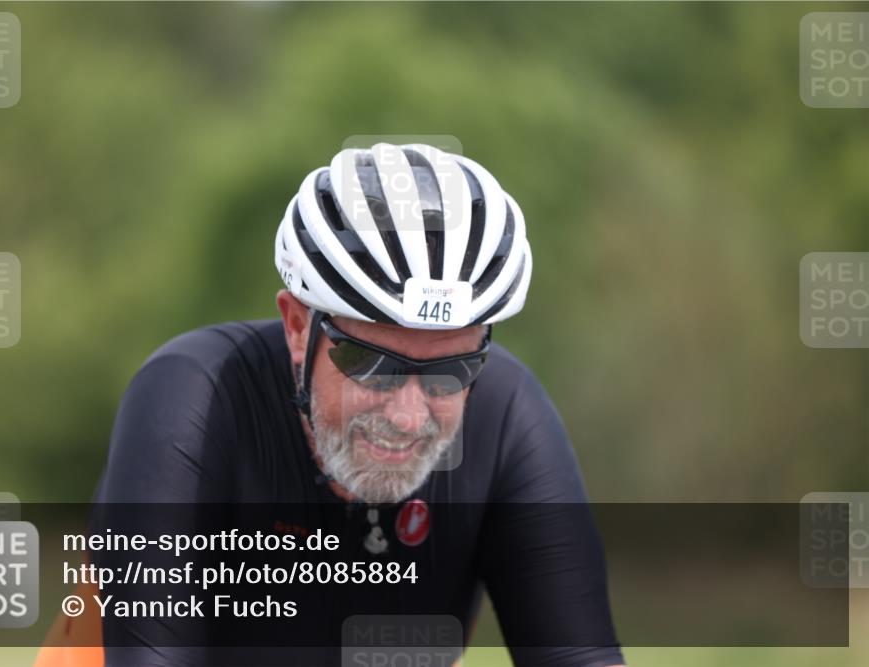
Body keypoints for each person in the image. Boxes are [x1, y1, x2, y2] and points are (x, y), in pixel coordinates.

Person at [42, 143, 625, 667]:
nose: (407, 416)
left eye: (451, 372)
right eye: (372, 365)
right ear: (298, 327)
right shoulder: (196, 394)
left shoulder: (507, 412)